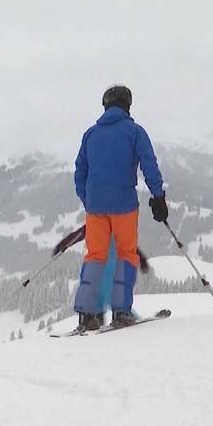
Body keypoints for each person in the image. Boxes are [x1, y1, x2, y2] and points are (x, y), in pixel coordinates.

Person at [72, 85, 168, 332]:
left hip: (95, 208)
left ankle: (87, 315)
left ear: (105, 106)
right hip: (124, 205)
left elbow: (80, 172)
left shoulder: (90, 134)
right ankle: (121, 312)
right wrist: (158, 197)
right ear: (127, 105)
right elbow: (149, 165)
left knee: (95, 256)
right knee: (125, 254)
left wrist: (88, 200)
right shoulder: (135, 132)